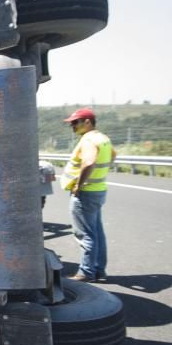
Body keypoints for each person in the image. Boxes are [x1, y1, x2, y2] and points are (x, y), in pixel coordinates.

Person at [60, 108, 115, 282]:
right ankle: (98, 270)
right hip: (99, 190)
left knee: (85, 234)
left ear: (88, 122)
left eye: (75, 122)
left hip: (85, 192)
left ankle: (86, 272)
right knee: (97, 232)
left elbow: (89, 161)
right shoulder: (103, 138)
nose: (72, 126)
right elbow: (113, 155)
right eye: (71, 124)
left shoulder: (89, 139)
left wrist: (79, 184)